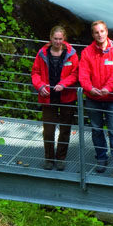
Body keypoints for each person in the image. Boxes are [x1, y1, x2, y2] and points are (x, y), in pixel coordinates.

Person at [78, 20, 113, 179]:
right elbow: (83, 74)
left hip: (112, 98)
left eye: (102, 31)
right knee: (96, 129)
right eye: (96, 32)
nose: (99, 34)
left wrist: (108, 88)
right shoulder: (87, 52)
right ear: (92, 34)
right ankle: (101, 158)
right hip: (93, 97)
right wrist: (89, 88)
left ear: (106, 32)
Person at [30, 25, 79, 170]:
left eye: (60, 39)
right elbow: (35, 73)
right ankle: (49, 158)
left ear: (64, 39)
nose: (58, 42)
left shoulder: (71, 54)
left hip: (66, 96)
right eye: (55, 39)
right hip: (48, 96)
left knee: (65, 129)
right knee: (49, 129)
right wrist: (40, 86)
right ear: (51, 38)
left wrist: (64, 84)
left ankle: (61, 158)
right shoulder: (42, 54)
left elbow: (75, 74)